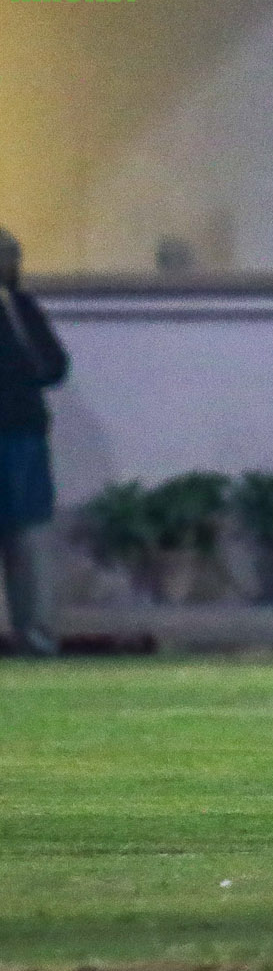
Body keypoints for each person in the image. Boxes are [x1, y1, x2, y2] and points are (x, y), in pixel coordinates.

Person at [0, 228, 69, 658]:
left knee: (28, 536)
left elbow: (54, 366)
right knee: (27, 535)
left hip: (21, 436)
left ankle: (35, 633)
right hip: (21, 432)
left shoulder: (19, 309)